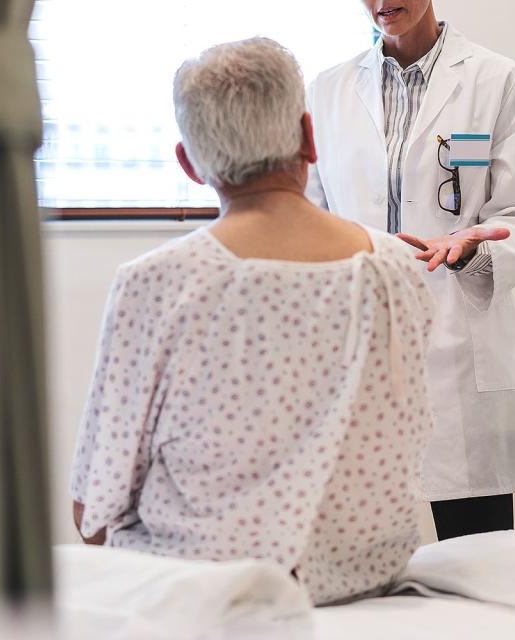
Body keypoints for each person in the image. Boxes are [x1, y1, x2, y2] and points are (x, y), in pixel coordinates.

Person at [69, 37, 435, 606]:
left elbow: (93, 509)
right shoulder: (396, 269)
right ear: (310, 140)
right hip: (364, 588)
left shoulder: (158, 281)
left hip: (201, 590)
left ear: (189, 164)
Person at [306, 1, 515, 539]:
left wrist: (468, 247)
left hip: (459, 348)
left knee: (480, 559)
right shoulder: (326, 92)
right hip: (363, 347)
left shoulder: (497, 81)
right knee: (367, 564)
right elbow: (311, 216)